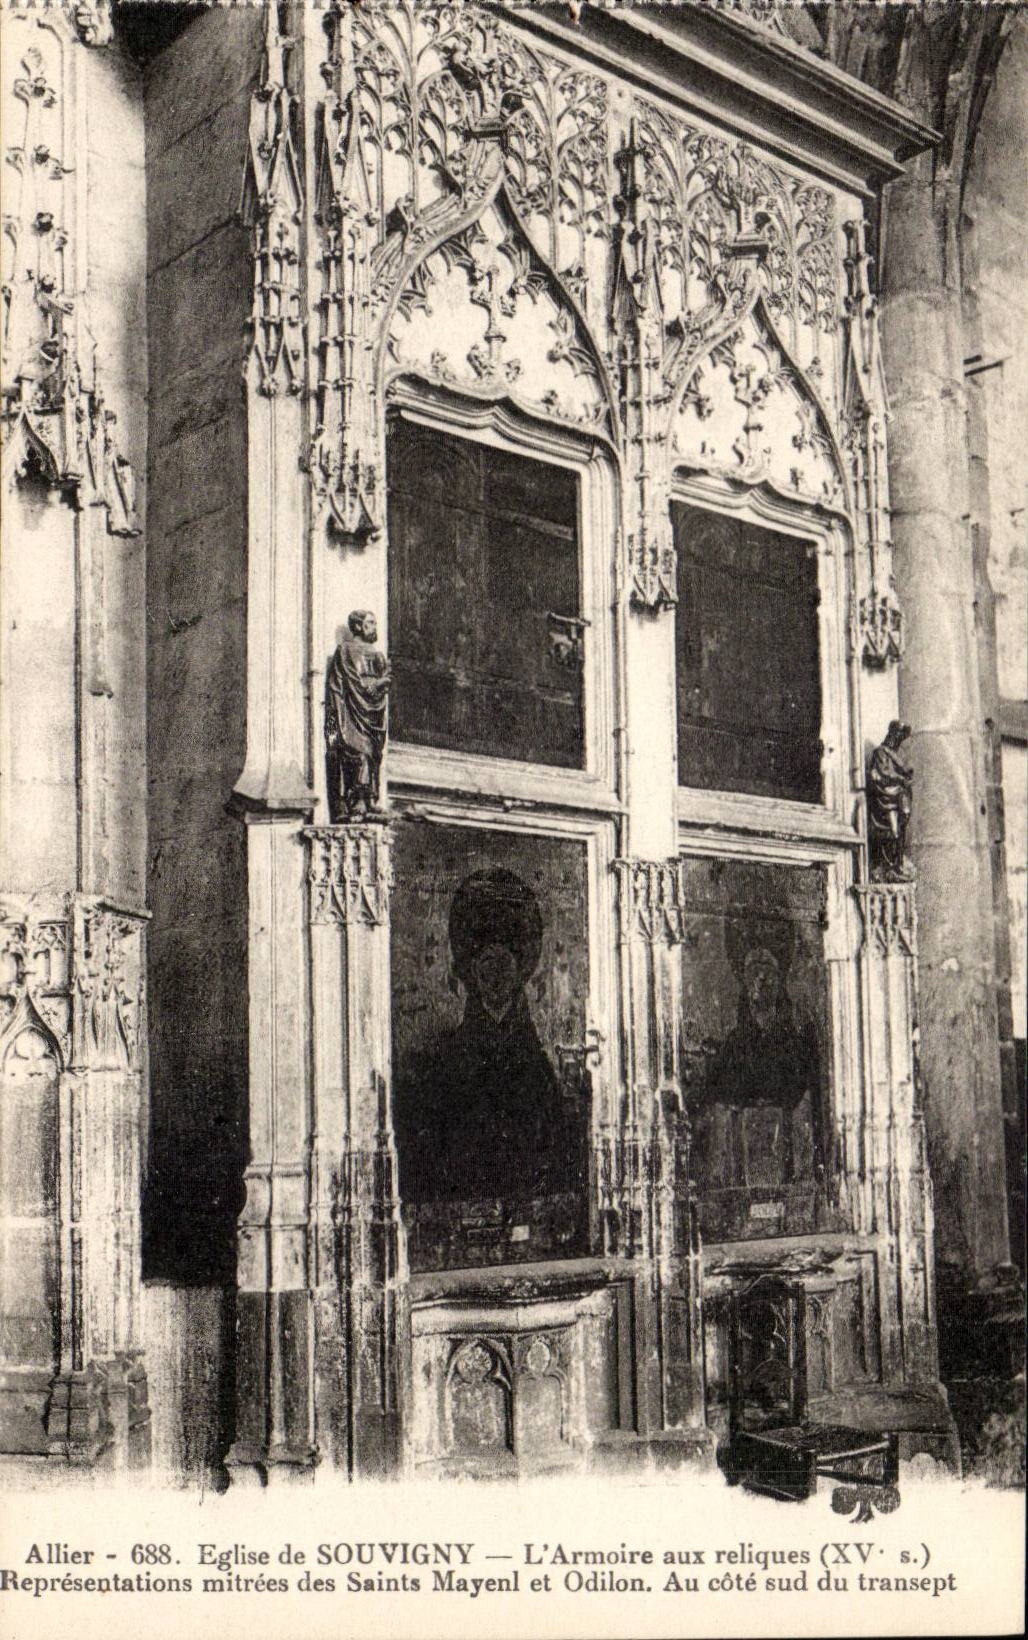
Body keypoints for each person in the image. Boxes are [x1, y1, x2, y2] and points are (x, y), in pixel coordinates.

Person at [394, 868, 582, 1204]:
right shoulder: (448, 1059)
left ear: (520, 971)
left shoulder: (535, 1060)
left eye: (504, 966)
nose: (496, 977)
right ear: (471, 972)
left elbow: (551, 1140)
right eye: (487, 965)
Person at [325, 610, 390, 820]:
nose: (374, 627)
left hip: (373, 713)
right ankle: (357, 800)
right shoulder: (345, 650)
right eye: (370, 623)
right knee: (358, 752)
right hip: (352, 711)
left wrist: (379, 685)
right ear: (359, 626)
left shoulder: (378, 655)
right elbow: (344, 684)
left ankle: (369, 799)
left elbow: (385, 680)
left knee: (373, 753)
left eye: (375, 623)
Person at [867, 719, 915, 880]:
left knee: (900, 832)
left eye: (902, 738)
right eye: (899, 737)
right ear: (892, 735)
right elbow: (883, 773)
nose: (900, 741)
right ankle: (888, 866)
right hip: (887, 801)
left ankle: (897, 863)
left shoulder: (894, 755)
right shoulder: (880, 752)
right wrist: (901, 778)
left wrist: (905, 778)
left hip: (899, 799)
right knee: (893, 833)